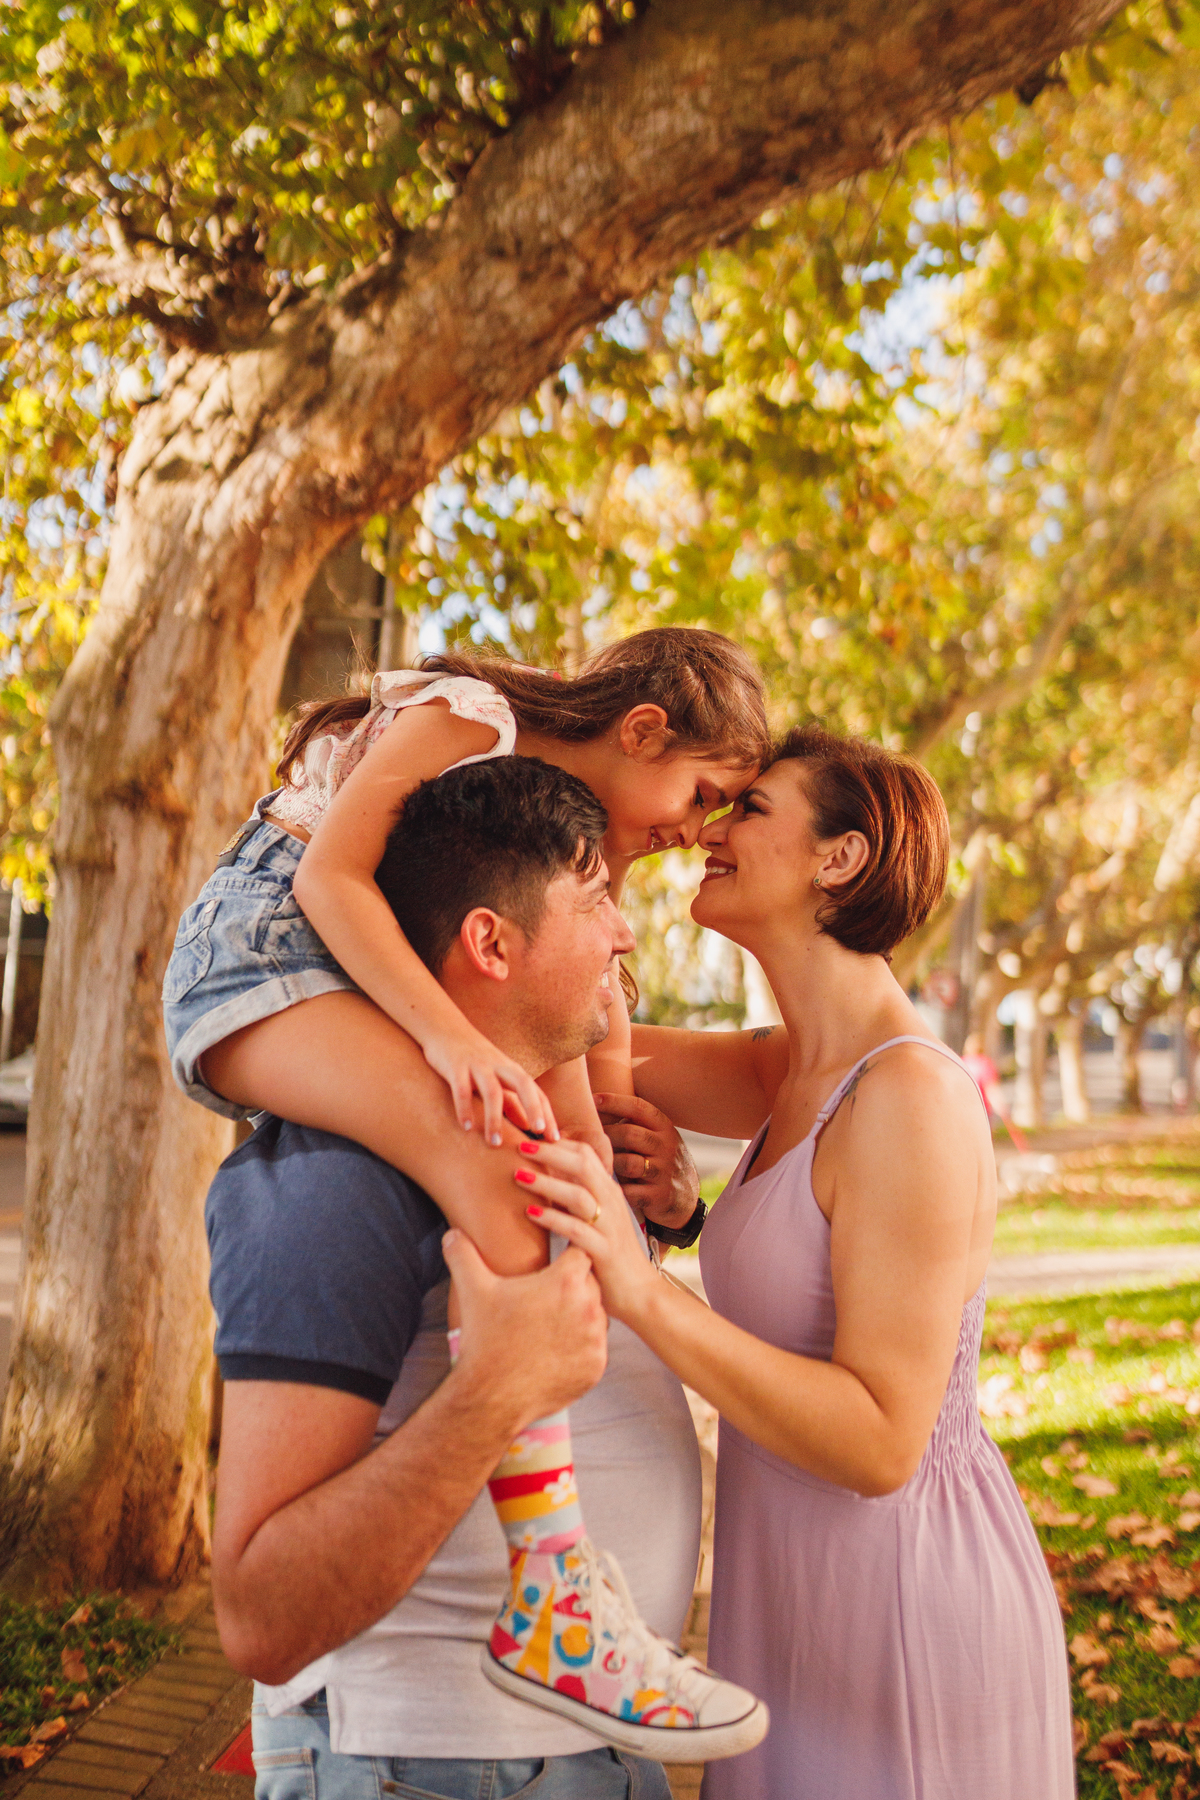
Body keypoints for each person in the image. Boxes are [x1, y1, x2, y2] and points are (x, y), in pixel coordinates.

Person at [162, 627, 770, 1741]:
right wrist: (455, 1045)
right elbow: (327, 878)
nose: (704, 824)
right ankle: (551, 1588)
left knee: (519, 1153)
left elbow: (596, 1029)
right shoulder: (474, 721)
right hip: (262, 953)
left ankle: (560, 1591)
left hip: (351, 958)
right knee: (479, 1142)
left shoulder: (582, 830)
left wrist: (628, 1193)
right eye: (707, 788)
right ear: (642, 732)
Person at [512, 726, 1075, 1799]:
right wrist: (610, 845)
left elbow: (879, 1441)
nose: (714, 830)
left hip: (903, 1604)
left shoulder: (908, 1093)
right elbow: (560, 1033)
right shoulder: (789, 1068)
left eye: (750, 809)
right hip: (791, 1600)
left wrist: (641, 1290)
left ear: (840, 858)